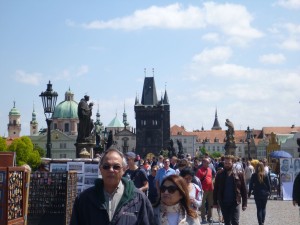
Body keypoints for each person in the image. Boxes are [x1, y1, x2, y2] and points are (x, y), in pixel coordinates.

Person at [70, 147, 154, 225]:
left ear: (124, 169)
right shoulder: (84, 199)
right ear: (100, 169)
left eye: (116, 167)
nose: (111, 170)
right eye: (106, 166)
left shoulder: (139, 199)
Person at [213, 155, 247, 225]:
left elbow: (243, 189)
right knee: (227, 222)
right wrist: (215, 202)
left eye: (229, 163)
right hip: (223, 202)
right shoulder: (220, 174)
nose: (227, 165)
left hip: (235, 201)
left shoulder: (239, 173)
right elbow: (216, 188)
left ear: (233, 163)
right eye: (226, 163)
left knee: (235, 222)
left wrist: (244, 203)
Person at [196, 157, 214, 224]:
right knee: (203, 205)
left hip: (210, 189)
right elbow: (197, 181)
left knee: (210, 204)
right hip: (203, 190)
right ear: (203, 162)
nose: (208, 163)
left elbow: (211, 178)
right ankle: (203, 218)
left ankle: (210, 217)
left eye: (208, 162)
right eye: (206, 162)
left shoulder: (210, 169)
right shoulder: (199, 170)